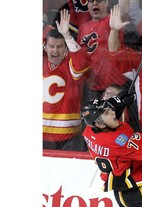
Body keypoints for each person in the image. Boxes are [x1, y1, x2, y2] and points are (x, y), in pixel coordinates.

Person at [43, 9, 91, 151]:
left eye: (59, 47)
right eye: (51, 46)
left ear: (66, 49)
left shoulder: (70, 63)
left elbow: (82, 63)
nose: (55, 51)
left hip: (68, 136)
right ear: (45, 47)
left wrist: (67, 36)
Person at [77, 0, 131, 106]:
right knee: (94, 122)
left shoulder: (112, 18)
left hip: (115, 85)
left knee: (118, 121)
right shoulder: (83, 28)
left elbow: (124, 10)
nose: (95, 4)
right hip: (92, 88)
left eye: (99, 1)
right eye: (91, 1)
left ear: (107, 3)